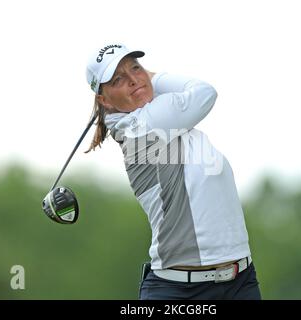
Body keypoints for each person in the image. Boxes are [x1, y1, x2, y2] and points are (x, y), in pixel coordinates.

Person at [84, 43, 261, 300]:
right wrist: (150, 79)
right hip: (181, 292)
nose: (133, 79)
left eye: (136, 67)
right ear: (104, 100)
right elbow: (204, 91)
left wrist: (139, 81)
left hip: (241, 280)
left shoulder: (170, 122)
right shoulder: (140, 128)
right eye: (118, 79)